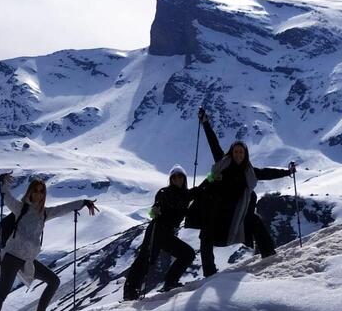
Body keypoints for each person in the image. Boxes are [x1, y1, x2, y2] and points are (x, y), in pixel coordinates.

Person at [0, 173, 99, 311]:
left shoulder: (44, 213)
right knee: (2, 292)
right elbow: (5, 196)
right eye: (35, 190)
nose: (38, 194)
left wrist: (83, 202)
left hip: (27, 260)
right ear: (29, 192)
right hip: (12, 257)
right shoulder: (20, 208)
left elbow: (63, 208)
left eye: (41, 191)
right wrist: (1, 181)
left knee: (53, 281)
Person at [197, 108, 296, 277]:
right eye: (236, 151)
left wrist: (288, 172)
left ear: (245, 155)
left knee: (255, 221)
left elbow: (267, 173)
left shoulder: (249, 171)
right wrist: (205, 122)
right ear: (231, 153)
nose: (238, 154)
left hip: (238, 215)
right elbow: (213, 143)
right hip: (219, 213)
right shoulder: (223, 164)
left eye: (241, 152)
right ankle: (209, 272)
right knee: (205, 235)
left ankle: (268, 254)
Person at [123, 165, 198, 300]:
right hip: (156, 230)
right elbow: (157, 203)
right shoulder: (164, 192)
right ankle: (130, 292)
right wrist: (154, 210)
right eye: (174, 177)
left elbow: (201, 189)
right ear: (171, 179)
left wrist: (213, 177)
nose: (177, 179)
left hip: (166, 233)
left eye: (180, 176)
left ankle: (170, 282)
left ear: (184, 178)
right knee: (145, 259)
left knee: (187, 254)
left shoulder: (186, 195)